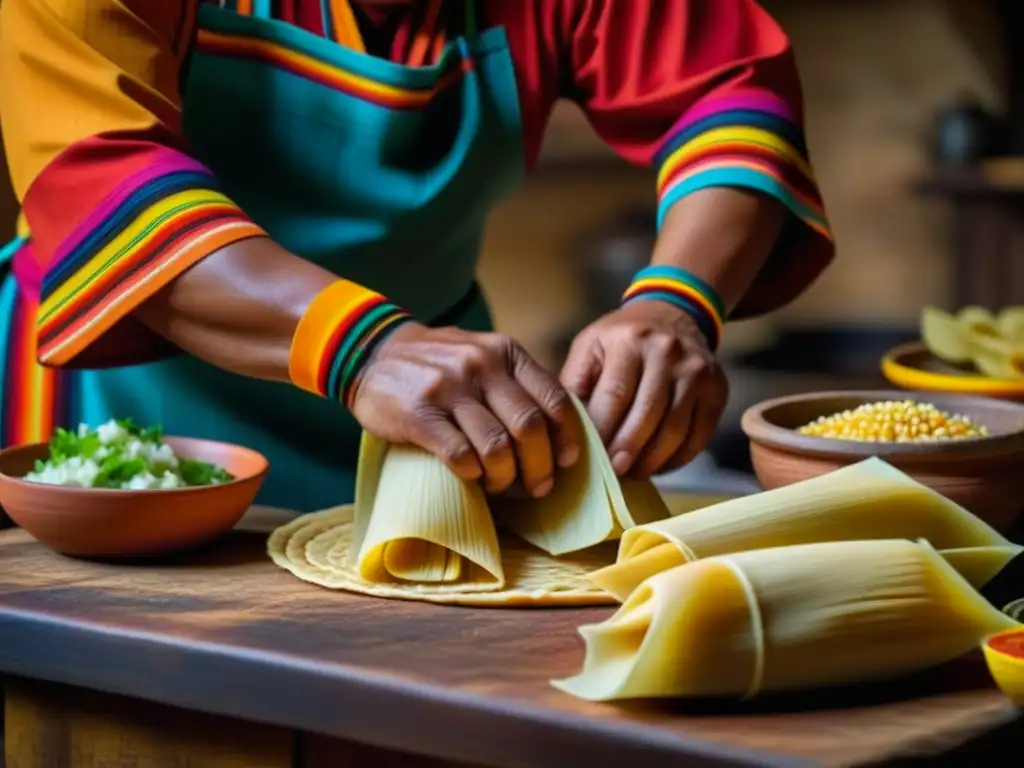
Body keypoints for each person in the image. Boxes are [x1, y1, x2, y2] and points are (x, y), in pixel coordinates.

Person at [0, 0, 833, 510]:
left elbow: (729, 90)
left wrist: (674, 302)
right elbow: (102, 182)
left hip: (435, 435)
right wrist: (364, 347)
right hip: (122, 423)